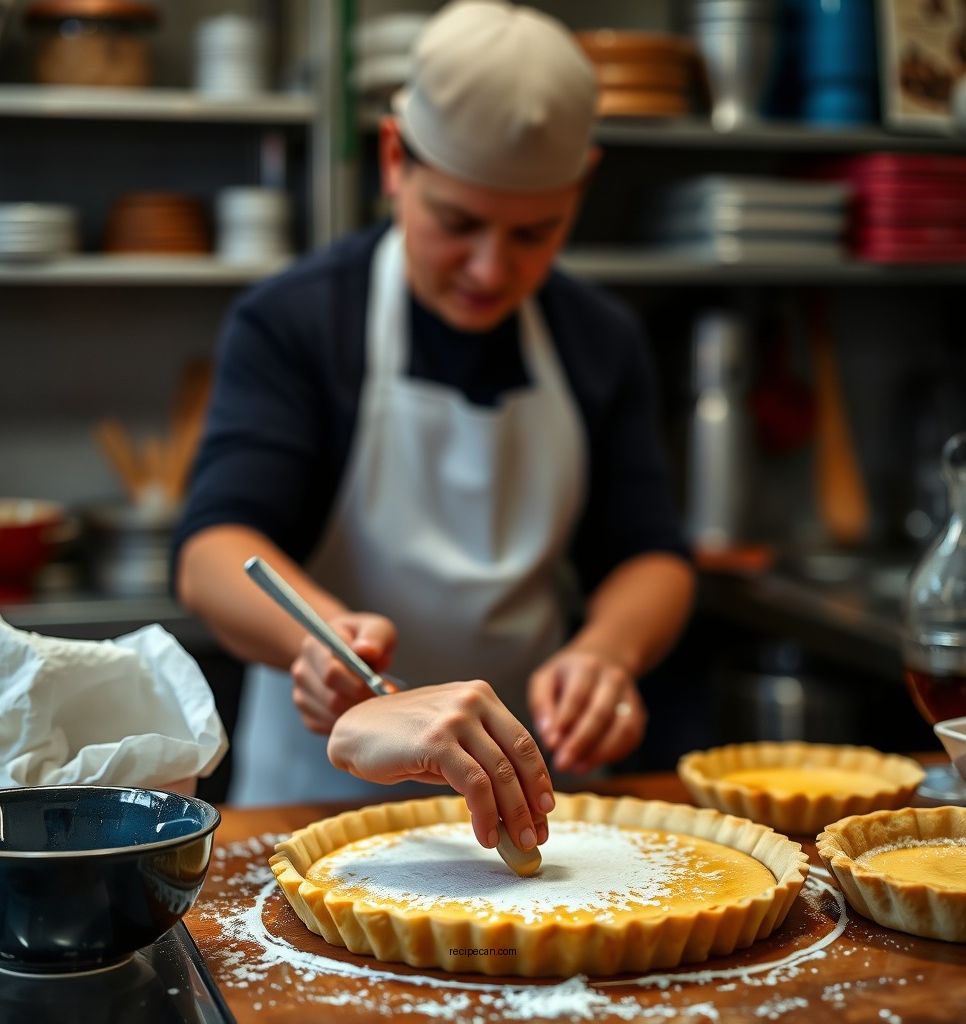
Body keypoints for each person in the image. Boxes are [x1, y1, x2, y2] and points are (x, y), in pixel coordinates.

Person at [172, 0, 696, 858]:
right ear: (393, 160)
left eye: (535, 232)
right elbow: (212, 550)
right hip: (315, 806)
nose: (493, 268)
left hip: (520, 801)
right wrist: (324, 642)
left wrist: (607, 653)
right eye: (459, 223)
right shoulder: (298, 322)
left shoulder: (599, 338)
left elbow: (650, 553)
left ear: (580, 187)